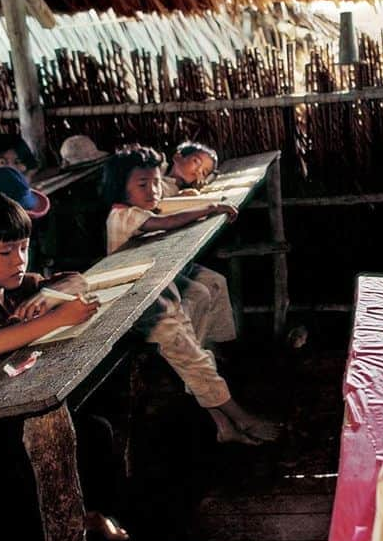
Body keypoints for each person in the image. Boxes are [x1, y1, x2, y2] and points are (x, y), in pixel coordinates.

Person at [0, 190, 128, 541]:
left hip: (14, 404)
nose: (19, 260)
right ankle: (67, 526)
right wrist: (57, 317)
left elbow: (77, 280)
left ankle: (92, 514)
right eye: (6, 252)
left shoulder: (12, 287)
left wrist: (45, 295)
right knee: (80, 436)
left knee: (97, 425)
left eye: (24, 248)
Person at [101, 146, 281, 445]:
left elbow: (164, 211)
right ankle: (239, 416)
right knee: (186, 346)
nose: (154, 190)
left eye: (156, 182)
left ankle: (217, 405)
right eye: (143, 184)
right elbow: (162, 222)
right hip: (134, 306)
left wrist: (199, 203)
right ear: (120, 187)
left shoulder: (141, 207)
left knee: (204, 288)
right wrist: (210, 208)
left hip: (154, 287)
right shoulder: (121, 215)